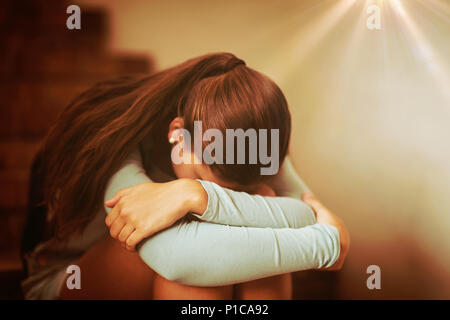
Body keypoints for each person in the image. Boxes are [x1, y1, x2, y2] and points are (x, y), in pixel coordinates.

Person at [21, 52, 350, 299]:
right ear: (178, 134)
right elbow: (176, 257)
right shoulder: (119, 136)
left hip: (180, 271)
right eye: (204, 178)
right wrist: (322, 245)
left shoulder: (249, 139)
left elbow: (306, 212)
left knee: (261, 198)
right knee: (190, 241)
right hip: (68, 275)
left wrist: (197, 194)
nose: (207, 189)